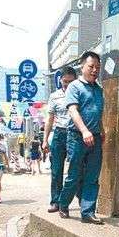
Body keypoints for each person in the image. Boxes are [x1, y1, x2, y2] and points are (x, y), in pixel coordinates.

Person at [59, 51, 105, 224]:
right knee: (74, 175)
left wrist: (102, 130)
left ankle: (87, 212)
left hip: (96, 138)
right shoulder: (74, 87)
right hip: (77, 137)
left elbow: (98, 113)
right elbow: (73, 111)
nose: (94, 70)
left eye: (97, 68)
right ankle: (63, 204)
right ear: (82, 67)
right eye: (91, 66)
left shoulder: (99, 90)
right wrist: (85, 131)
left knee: (92, 176)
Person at [43, 66, 77, 212]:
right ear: (60, 80)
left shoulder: (80, 94)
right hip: (59, 134)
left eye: (71, 81)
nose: (68, 84)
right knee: (56, 170)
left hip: (75, 135)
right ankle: (55, 201)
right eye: (65, 81)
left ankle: (75, 201)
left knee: (77, 170)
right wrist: (45, 140)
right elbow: (49, 119)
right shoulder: (54, 96)